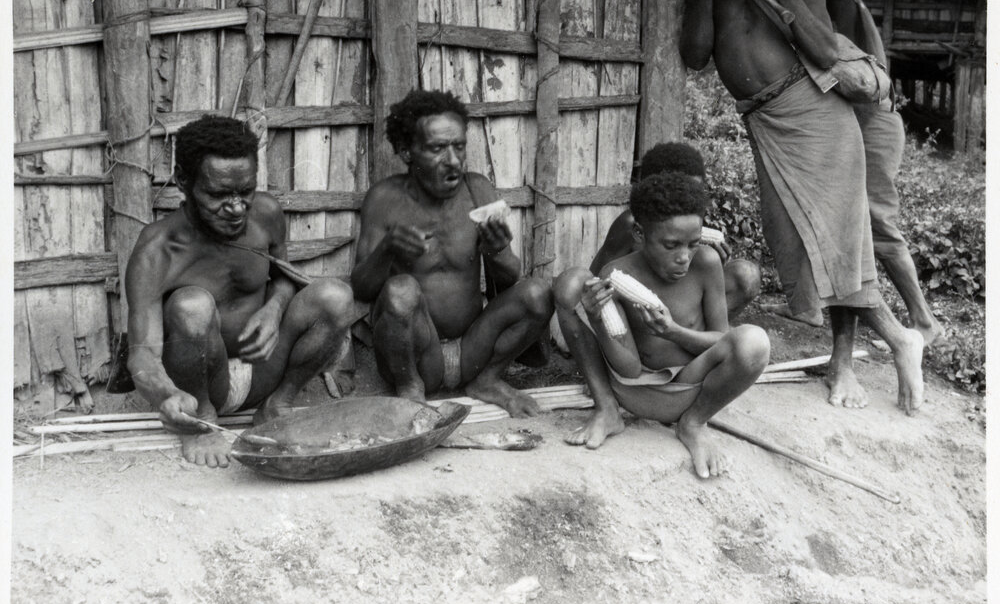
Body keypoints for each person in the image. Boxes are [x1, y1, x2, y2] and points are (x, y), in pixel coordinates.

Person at [679, 0, 924, 413]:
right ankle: (878, 345)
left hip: (816, 114)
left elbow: (822, 50)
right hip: (762, 118)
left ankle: (865, 355)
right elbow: (694, 55)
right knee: (797, 240)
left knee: (839, 239)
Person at [125, 116, 356, 467]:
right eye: (218, 195)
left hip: (266, 369)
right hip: (200, 390)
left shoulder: (265, 214)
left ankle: (279, 403)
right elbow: (142, 355)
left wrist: (274, 310)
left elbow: (284, 276)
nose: (235, 208)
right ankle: (204, 425)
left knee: (336, 297)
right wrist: (167, 394)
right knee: (192, 306)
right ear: (183, 182)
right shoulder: (158, 249)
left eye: (245, 191)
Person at [783, 0, 945, 346]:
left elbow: (875, 77)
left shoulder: (841, 5)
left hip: (870, 121)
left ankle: (923, 320)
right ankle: (822, 308)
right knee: (841, 223)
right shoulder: (810, 6)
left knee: (874, 224)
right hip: (849, 122)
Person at [350, 89, 553, 416]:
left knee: (539, 292)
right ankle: (410, 391)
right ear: (406, 151)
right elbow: (361, 288)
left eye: (459, 146)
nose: (454, 160)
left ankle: (486, 380)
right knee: (400, 290)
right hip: (418, 357)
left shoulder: (478, 190)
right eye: (437, 149)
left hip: (474, 347)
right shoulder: (384, 199)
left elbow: (510, 277)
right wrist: (386, 250)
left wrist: (498, 250)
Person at [554, 172, 770, 477]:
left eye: (693, 244)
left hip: (692, 390)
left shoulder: (706, 264)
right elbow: (628, 368)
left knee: (754, 341)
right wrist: (596, 318)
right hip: (637, 392)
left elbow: (722, 340)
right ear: (640, 235)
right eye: (671, 246)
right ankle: (607, 411)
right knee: (567, 283)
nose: (684, 257)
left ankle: (694, 425)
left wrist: (673, 332)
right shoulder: (617, 273)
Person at [591, 141, 761, 317]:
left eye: (697, 190)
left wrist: (715, 263)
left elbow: (694, 270)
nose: (691, 196)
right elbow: (598, 278)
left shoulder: (690, 216)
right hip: (641, 309)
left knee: (746, 276)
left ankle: (706, 334)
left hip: (683, 301)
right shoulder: (629, 223)